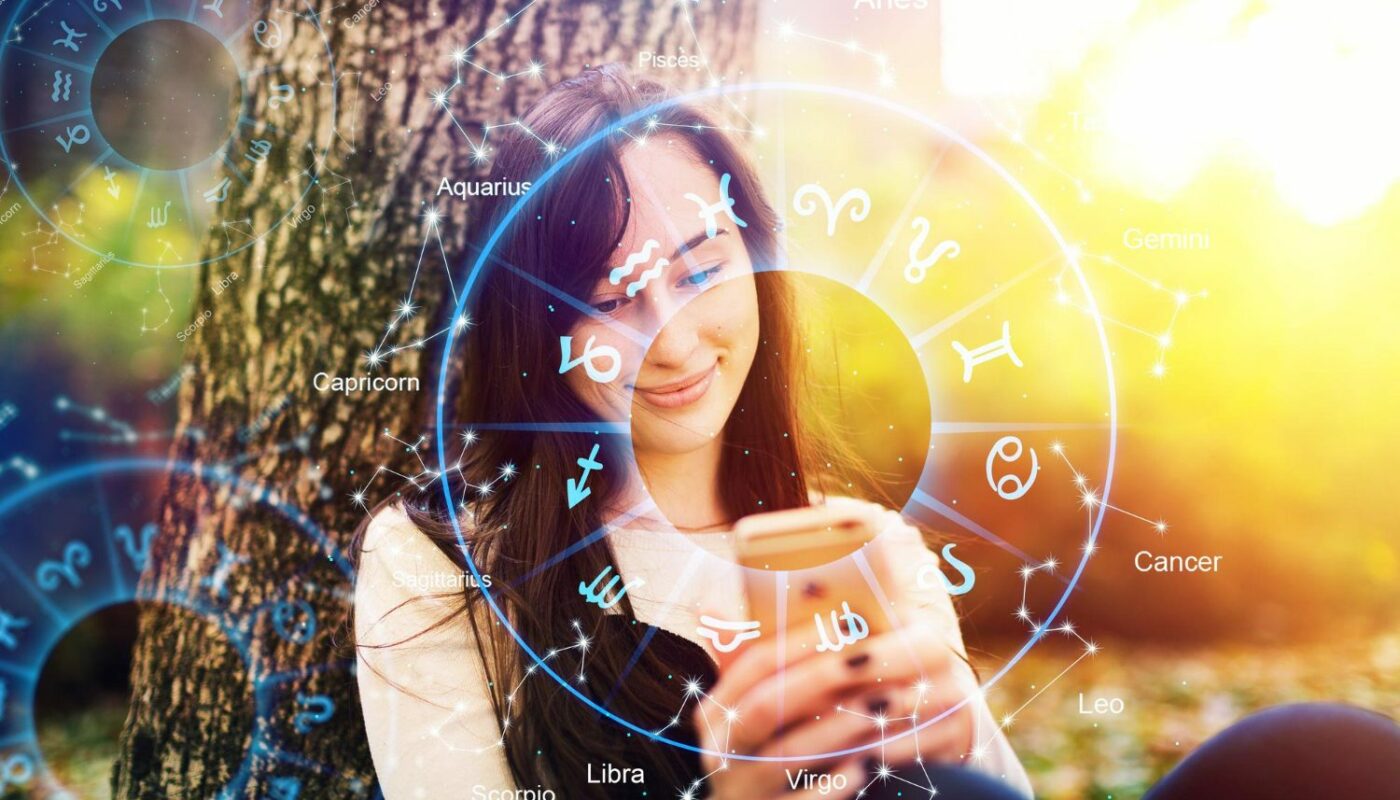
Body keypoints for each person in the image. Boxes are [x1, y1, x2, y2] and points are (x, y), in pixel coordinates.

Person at [352, 65, 1400, 800]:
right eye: (602, 295)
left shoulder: (865, 551)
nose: (668, 337)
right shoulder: (448, 567)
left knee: (1318, 751)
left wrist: (959, 743)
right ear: (532, 323)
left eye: (701, 267)